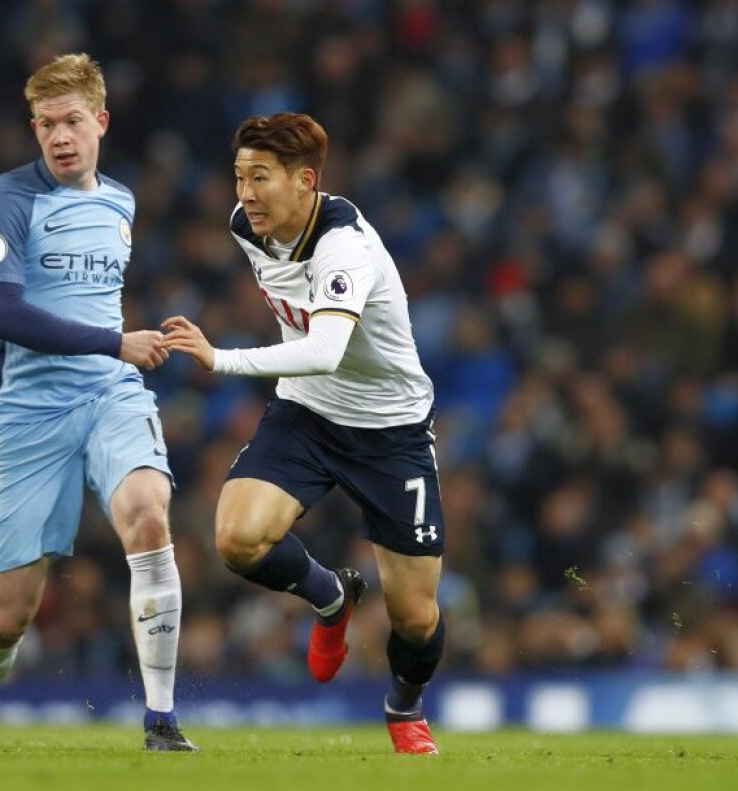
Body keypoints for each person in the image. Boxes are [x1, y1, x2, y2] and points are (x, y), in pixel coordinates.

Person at [0, 53, 195, 751]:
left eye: (73, 121)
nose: (60, 136)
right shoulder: (7, 199)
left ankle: (162, 721)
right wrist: (117, 341)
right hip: (26, 416)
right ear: (34, 130)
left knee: (148, 514)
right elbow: (6, 316)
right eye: (47, 124)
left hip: (109, 396)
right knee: (4, 621)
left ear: (101, 123)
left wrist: (115, 356)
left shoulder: (122, 201)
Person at [161, 112, 445, 755]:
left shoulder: (345, 246)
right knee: (236, 538)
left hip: (389, 430)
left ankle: (404, 707)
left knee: (416, 616)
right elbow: (312, 365)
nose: (246, 194)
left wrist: (221, 359)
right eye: (239, 177)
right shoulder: (247, 229)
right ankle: (329, 595)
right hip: (308, 415)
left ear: (305, 180)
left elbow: (324, 349)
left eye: (260, 178)